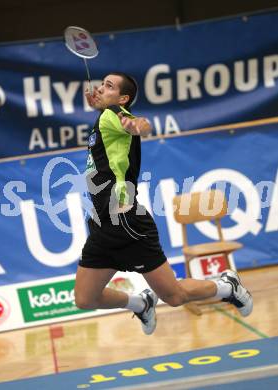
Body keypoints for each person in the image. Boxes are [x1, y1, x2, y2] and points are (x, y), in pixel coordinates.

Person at [75, 72, 253, 335]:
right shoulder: (105, 118)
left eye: (108, 86)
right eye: (101, 84)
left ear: (123, 99)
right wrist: (99, 103)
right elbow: (113, 117)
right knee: (85, 299)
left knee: (175, 296)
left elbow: (137, 124)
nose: (101, 88)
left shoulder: (115, 115)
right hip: (103, 226)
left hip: (129, 224)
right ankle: (140, 303)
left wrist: (139, 126)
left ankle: (228, 286)